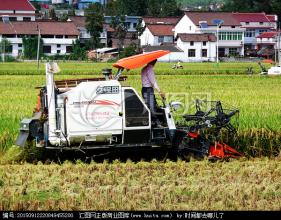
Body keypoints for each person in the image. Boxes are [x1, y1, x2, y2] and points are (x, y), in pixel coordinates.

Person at [141, 59, 165, 127]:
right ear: (154, 62)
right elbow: (153, 82)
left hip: (144, 89)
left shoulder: (144, 68)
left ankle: (152, 122)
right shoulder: (150, 69)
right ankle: (156, 123)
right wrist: (160, 91)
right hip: (148, 90)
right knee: (152, 107)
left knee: (150, 106)